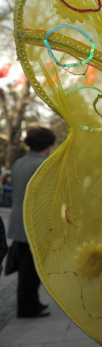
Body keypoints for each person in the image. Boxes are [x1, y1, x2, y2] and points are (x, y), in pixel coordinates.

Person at [6, 126, 55, 318]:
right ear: (48, 144)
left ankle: (29, 304)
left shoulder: (19, 162)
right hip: (35, 223)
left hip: (19, 220)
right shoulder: (43, 164)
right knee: (31, 270)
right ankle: (28, 307)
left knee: (26, 268)